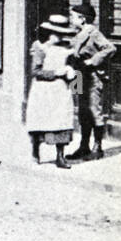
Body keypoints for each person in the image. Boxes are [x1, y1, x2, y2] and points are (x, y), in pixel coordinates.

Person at [27, 14, 78, 168]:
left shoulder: (68, 48)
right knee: (41, 120)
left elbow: (74, 68)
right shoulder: (40, 47)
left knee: (62, 120)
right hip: (43, 90)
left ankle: (60, 157)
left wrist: (74, 78)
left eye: (61, 33)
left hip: (61, 90)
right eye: (56, 33)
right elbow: (35, 71)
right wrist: (55, 73)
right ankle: (36, 152)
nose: (59, 36)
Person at [67, 3, 113, 161]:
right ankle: (84, 145)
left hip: (92, 76)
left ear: (82, 18)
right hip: (78, 75)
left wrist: (93, 61)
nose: (70, 19)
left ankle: (98, 146)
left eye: (72, 16)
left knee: (94, 110)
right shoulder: (77, 33)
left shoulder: (94, 33)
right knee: (82, 110)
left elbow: (110, 48)